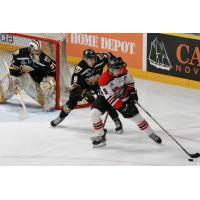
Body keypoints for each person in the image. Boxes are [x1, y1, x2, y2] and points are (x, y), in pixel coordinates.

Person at [90, 57, 162, 147]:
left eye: (121, 68)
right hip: (105, 97)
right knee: (94, 114)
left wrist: (132, 93)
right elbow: (110, 97)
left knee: (137, 118)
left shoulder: (124, 72)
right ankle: (100, 136)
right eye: (118, 69)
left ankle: (151, 134)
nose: (121, 70)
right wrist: (123, 107)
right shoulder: (103, 79)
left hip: (122, 95)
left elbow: (130, 83)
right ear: (111, 69)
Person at [51, 49, 123, 134]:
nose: (93, 61)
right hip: (82, 86)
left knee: (106, 99)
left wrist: (116, 63)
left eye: (94, 59)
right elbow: (74, 85)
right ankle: (61, 117)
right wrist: (83, 93)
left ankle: (116, 120)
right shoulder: (80, 68)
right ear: (85, 59)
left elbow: (109, 55)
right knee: (72, 101)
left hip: (98, 84)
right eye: (90, 59)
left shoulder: (100, 58)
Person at [0, 40, 56, 111]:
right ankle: (2, 94)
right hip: (23, 77)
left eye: (39, 51)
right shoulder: (19, 54)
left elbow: (54, 72)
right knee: (14, 79)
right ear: (30, 51)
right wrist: (16, 78)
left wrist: (51, 82)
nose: (38, 53)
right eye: (36, 51)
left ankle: (46, 100)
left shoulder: (45, 60)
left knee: (45, 88)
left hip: (37, 82)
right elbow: (13, 71)